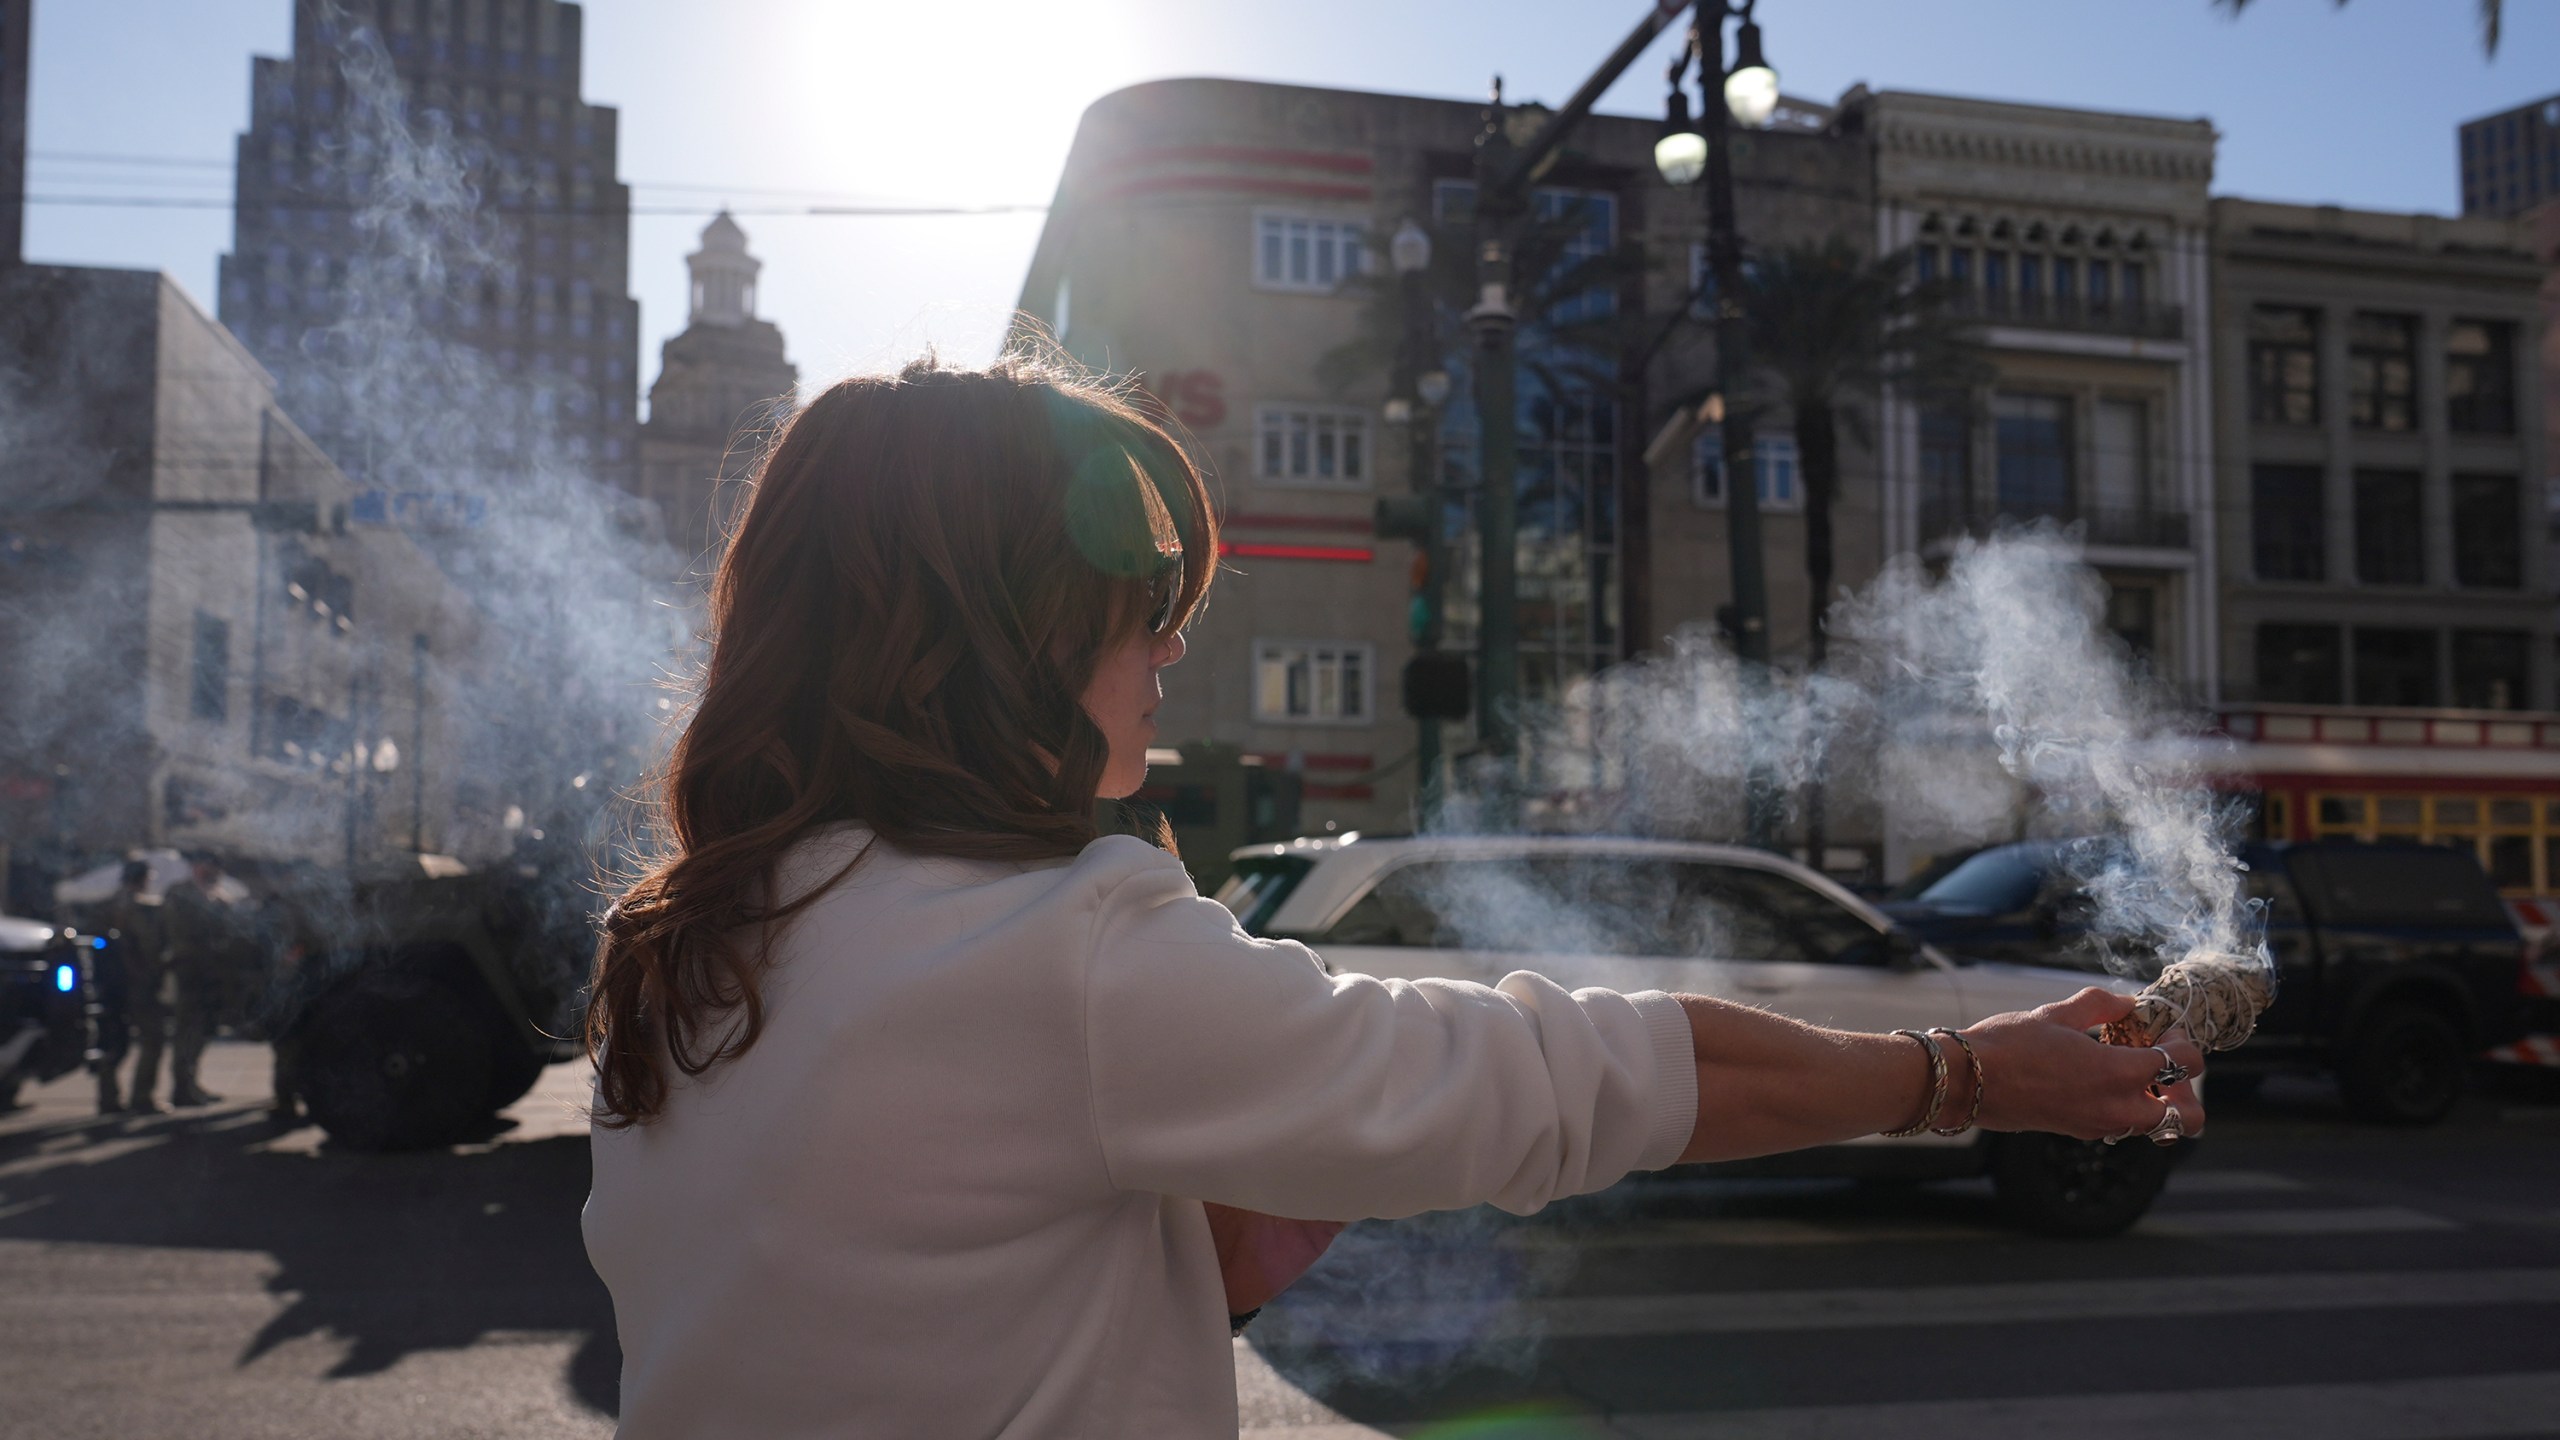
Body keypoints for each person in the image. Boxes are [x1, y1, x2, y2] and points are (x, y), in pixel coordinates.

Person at [581, 355, 2206, 1438]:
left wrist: (1218, 1221)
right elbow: (1593, 1075)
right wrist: (1968, 1075)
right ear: (993, 627)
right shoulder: (1052, 953)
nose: (1170, 646)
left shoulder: (702, 942)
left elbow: (923, 1303)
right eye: (1141, 604)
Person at [155, 853, 231, 1108]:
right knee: (186, 1032)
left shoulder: (217, 895)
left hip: (210, 975)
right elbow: (181, 932)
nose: (214, 872)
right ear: (198, 867)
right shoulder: (180, 894)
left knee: (201, 1032)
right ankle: (182, 1089)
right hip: (187, 972)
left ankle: (190, 1083)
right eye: (210, 866)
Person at [90, 859, 159, 1115]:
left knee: (115, 1042)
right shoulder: (132, 906)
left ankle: (108, 1098)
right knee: (151, 1038)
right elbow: (143, 945)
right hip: (132, 983)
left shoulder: (109, 904)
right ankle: (140, 1097)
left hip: (114, 985)